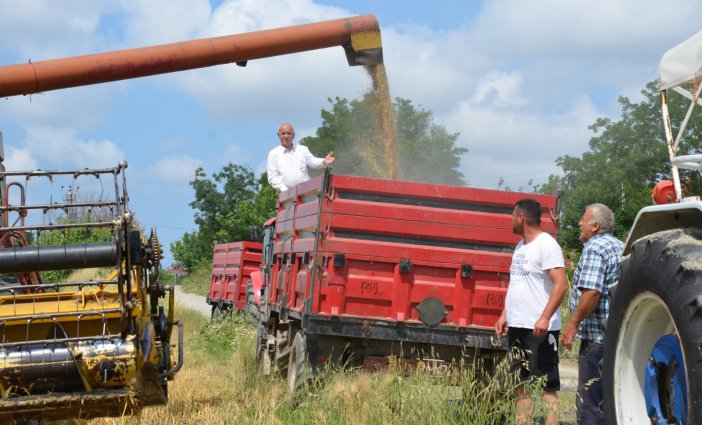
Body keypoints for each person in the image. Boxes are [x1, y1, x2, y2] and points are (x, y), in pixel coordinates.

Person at [495, 198, 568, 425]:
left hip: (539, 330)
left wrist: (545, 317)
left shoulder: (546, 245)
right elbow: (518, 284)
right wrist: (504, 315)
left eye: (512, 216)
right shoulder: (521, 246)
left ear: (521, 218)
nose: (511, 221)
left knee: (546, 386)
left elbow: (561, 284)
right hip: (518, 326)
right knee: (521, 384)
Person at [561, 203, 623, 425]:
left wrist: (572, 324)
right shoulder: (619, 246)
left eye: (583, 220)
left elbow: (591, 293)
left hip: (596, 341)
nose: (579, 223)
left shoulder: (594, 248)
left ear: (595, 226)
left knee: (590, 406)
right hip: (616, 339)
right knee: (610, 405)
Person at [266, 123, 335, 192]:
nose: (286, 136)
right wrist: (286, 191)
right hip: (285, 197)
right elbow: (273, 178)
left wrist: (323, 161)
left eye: (289, 133)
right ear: (278, 135)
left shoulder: (302, 149)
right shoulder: (273, 154)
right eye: (283, 133)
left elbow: (312, 162)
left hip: (305, 192)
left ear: (294, 135)